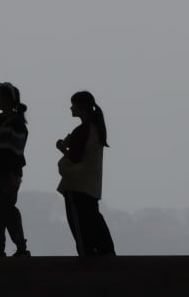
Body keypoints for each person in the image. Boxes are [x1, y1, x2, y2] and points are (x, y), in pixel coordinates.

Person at [56, 91, 115, 257]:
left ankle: (87, 260)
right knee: (94, 220)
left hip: (76, 186)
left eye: (73, 105)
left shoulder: (82, 131)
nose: (71, 108)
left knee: (81, 231)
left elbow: (75, 158)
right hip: (91, 187)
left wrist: (62, 150)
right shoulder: (96, 130)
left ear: (81, 108)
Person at [0, 82, 30, 257]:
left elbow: (16, 152)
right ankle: (0, 248)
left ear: (5, 99)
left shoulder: (16, 123)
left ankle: (20, 245)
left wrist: (14, 175)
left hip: (8, 173)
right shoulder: (1, 121)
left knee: (6, 210)